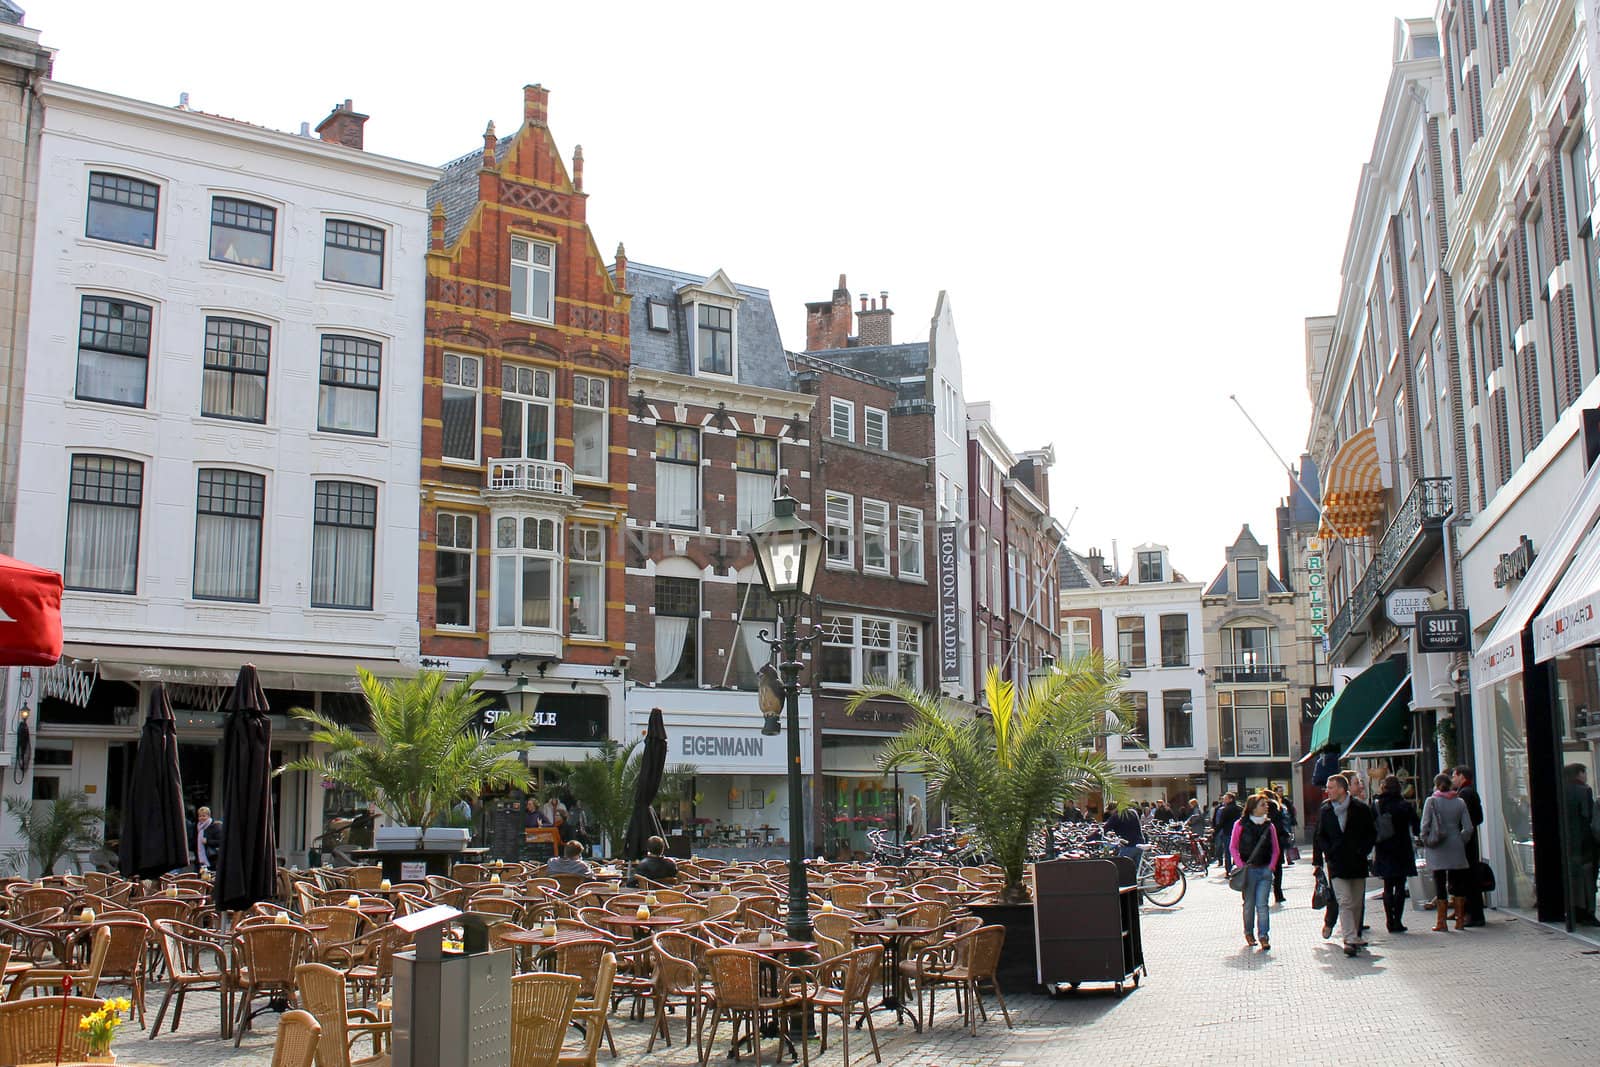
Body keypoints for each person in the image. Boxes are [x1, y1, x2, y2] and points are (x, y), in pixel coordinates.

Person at [1313, 774, 1377, 956]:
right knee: (1345, 901)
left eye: (1331, 787)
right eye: (1328, 787)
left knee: (1357, 902)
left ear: (1342, 789)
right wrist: (1326, 854)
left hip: (1357, 862)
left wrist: (1362, 850)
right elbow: (1320, 835)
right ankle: (1349, 938)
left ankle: (1355, 934)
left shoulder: (1360, 809)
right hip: (1337, 863)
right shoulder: (1325, 810)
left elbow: (1371, 833)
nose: (1328, 790)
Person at [1420, 772, 1475, 933]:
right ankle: (1459, 920)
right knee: (1457, 882)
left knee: (1439, 882)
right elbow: (1469, 827)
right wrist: (1461, 839)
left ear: (1436, 785)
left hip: (1437, 845)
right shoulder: (1460, 802)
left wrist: (1426, 840)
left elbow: (1425, 825)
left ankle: (1441, 922)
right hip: (1456, 845)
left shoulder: (1431, 801)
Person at [1230, 794, 1284, 950]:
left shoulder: (1269, 826)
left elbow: (1276, 849)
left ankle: (1263, 936)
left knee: (1262, 905)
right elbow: (1233, 847)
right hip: (1249, 871)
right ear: (1253, 808)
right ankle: (1248, 932)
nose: (1266, 807)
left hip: (1264, 871)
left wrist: (1271, 867)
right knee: (1249, 904)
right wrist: (1240, 865)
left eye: (1266, 804)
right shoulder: (1240, 825)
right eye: (1262, 804)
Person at [1371, 775, 1420, 932]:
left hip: (1384, 848)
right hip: (1402, 849)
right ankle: (1397, 920)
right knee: (1400, 885)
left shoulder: (1377, 805)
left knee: (1387, 886)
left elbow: (1370, 826)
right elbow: (1416, 825)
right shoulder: (1404, 805)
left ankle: (1389, 920)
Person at [1563, 764, 1599, 926]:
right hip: (1584, 844)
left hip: (1568, 843)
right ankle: (1587, 912)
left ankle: (1574, 909)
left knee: (1573, 877)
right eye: (1585, 772)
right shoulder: (1584, 791)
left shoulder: (1562, 790)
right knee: (1587, 877)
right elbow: (1589, 819)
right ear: (1579, 773)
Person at [1453, 765, 1487, 927]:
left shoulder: (1464, 794)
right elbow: (1479, 817)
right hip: (1472, 841)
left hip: (1465, 842)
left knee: (1467, 879)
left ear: (1462, 776)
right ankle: (1474, 913)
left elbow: (1462, 819)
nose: (1453, 779)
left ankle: (1472, 915)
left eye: (1454, 776)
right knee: (1471, 877)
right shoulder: (1472, 792)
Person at [1213, 793, 1242, 874]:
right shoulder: (1239, 809)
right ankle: (1238, 866)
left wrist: (1215, 832)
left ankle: (1229, 870)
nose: (1224, 800)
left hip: (1228, 832)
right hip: (1238, 833)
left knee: (1228, 852)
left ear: (1231, 799)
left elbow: (1221, 822)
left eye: (1225, 799)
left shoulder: (1225, 810)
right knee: (1237, 851)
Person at [187, 806, 223, 871]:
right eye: (200, 816)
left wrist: (208, 841)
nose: (201, 818)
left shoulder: (215, 826)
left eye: (204, 816)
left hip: (212, 860)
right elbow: (193, 843)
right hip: (199, 861)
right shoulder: (196, 827)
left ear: (209, 816)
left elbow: (221, 842)